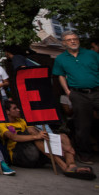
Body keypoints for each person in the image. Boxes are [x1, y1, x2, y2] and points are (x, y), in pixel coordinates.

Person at [0, 100, 95, 180]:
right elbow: (13, 137)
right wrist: (36, 137)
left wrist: (63, 145)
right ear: (7, 112)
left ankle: (71, 165)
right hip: (19, 155)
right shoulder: (0, 123)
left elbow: (35, 133)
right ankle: (64, 166)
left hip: (37, 152)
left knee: (63, 136)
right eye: (15, 108)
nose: (18, 110)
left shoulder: (22, 120)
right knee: (35, 136)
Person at [52, 31, 99, 165]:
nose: (73, 41)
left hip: (96, 90)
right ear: (64, 43)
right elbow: (60, 75)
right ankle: (84, 154)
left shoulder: (92, 55)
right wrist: (67, 91)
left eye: (75, 39)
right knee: (82, 125)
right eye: (69, 40)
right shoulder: (61, 59)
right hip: (78, 93)